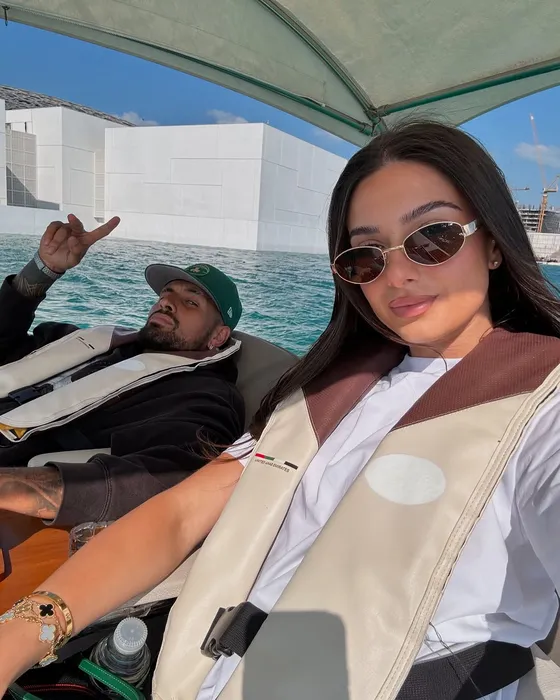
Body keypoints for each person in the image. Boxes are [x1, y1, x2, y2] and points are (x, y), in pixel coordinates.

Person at [2, 121, 560, 700]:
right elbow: (180, 512)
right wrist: (18, 637)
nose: (397, 273)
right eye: (366, 255)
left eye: (432, 237)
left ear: (494, 242)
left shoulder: (543, 405)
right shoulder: (327, 391)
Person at [0, 214, 244, 526]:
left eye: (191, 302)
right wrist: (44, 269)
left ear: (218, 337)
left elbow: (168, 477)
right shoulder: (94, 343)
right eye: (166, 294)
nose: (167, 303)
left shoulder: (204, 396)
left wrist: (12, 487)